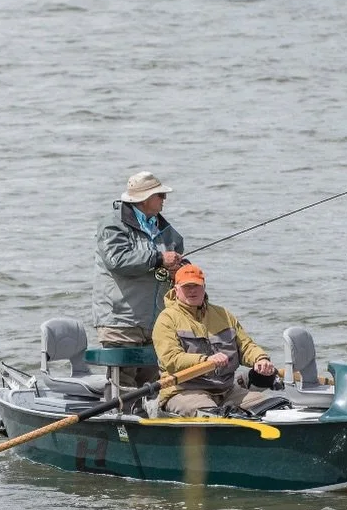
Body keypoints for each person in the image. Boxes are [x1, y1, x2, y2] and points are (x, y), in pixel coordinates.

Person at [93, 171, 184, 387]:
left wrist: (179, 269)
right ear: (144, 199)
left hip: (156, 322)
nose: (164, 199)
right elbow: (117, 260)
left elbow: (177, 253)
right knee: (123, 388)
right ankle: (120, 421)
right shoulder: (112, 225)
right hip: (121, 321)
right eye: (160, 195)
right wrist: (160, 258)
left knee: (154, 386)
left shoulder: (164, 228)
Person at [152, 264, 277, 415]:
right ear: (176, 289)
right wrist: (205, 361)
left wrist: (260, 359)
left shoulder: (223, 314)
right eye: (187, 286)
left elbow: (246, 346)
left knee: (273, 408)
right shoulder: (167, 319)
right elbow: (171, 359)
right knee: (212, 414)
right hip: (184, 391)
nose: (192, 290)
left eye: (196, 286)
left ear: (204, 287)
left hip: (227, 390)